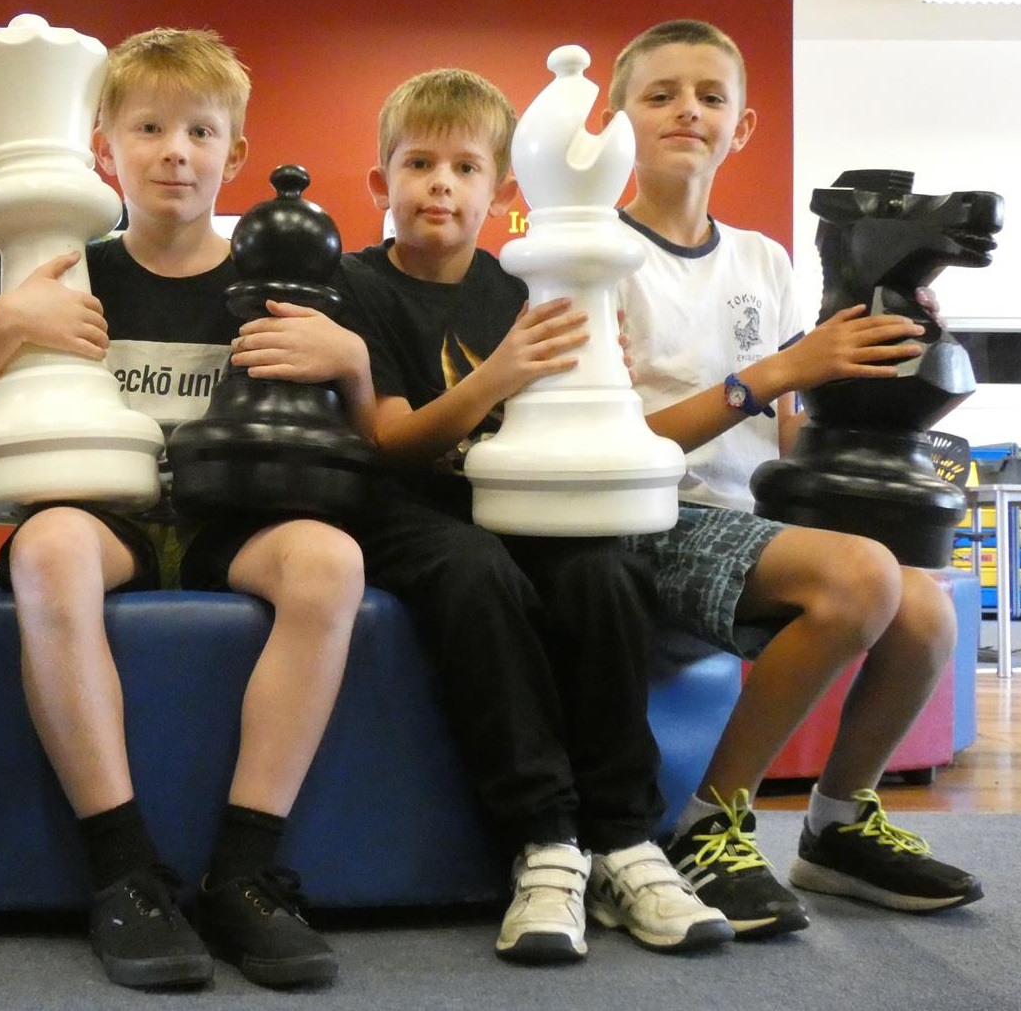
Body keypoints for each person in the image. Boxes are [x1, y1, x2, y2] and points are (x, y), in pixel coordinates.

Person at [234, 67, 732, 964]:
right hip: (394, 509)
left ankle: (622, 835)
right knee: (473, 569)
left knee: (608, 568)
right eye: (418, 164)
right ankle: (541, 838)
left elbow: (573, 417)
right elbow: (392, 443)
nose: (440, 185)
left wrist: (593, 370)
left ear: (501, 190)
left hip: (508, 505)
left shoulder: (519, 287)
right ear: (381, 184)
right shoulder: (353, 284)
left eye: (466, 168)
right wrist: (505, 371)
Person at [0, 27, 357, 991]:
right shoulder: (60, 267)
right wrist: (3, 327)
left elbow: (332, 427)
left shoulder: (272, 284)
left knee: (331, 561)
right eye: (150, 127)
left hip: (227, 521)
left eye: (201, 132)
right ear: (103, 142)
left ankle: (244, 874)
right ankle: (123, 871)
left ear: (234, 153)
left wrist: (346, 360)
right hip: (107, 520)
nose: (176, 150)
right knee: (46, 552)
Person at [604, 18, 981, 938]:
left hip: (753, 522)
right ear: (616, 125)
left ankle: (836, 823)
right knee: (859, 576)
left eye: (709, 96)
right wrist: (774, 370)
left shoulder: (763, 259)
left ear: (742, 128)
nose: (685, 110)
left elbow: (794, 428)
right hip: (645, 518)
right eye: (659, 95)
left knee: (924, 603)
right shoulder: (597, 258)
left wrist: (881, 342)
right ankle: (707, 824)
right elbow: (617, 444)